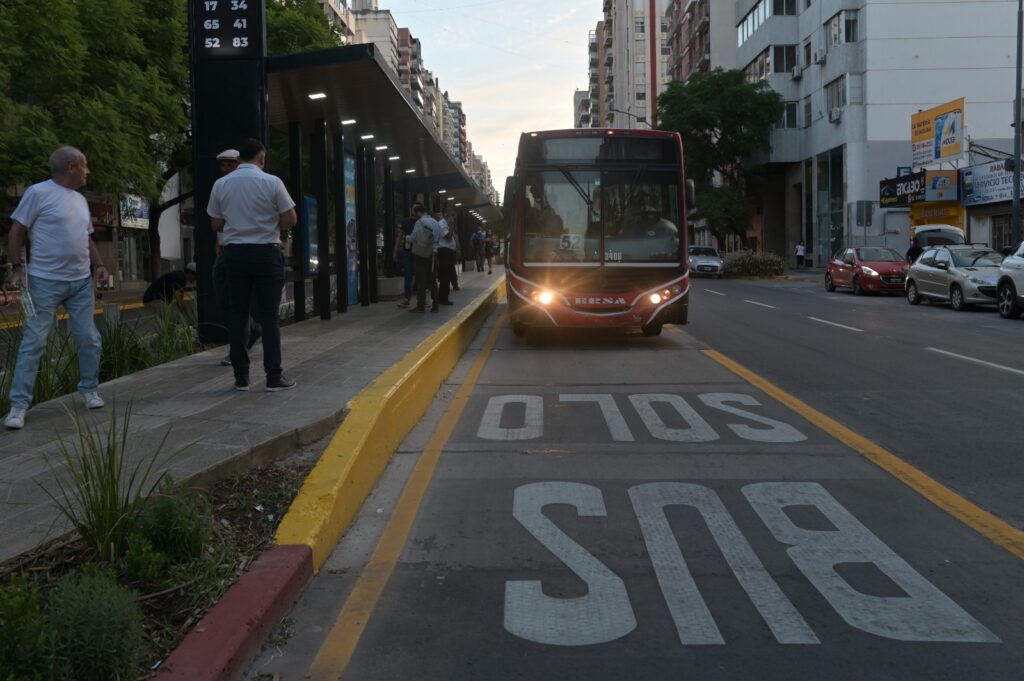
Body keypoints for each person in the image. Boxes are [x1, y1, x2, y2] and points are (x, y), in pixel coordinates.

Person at [4, 146, 109, 430]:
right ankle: (18, 406)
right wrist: (16, 268)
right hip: (44, 282)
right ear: (72, 167)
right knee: (34, 342)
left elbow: (87, 238)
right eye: (85, 166)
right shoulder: (38, 193)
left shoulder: (80, 201)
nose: (88, 172)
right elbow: (16, 231)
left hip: (80, 283)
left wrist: (98, 266)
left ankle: (89, 389)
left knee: (89, 338)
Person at [207, 138, 297, 393]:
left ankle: (241, 378)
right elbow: (290, 219)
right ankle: (273, 377)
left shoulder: (221, 184)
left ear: (239, 159)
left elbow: (215, 223)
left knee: (238, 314)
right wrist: (267, 224)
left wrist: (238, 224)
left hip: (234, 254)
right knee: (269, 317)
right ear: (262, 158)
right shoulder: (272, 182)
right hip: (266, 252)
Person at [408, 204, 440, 313]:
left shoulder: (419, 222)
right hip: (434, 254)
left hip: (421, 255)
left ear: (418, 213)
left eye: (414, 213)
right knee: (432, 281)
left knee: (421, 281)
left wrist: (406, 237)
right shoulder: (436, 223)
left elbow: (412, 238)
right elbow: (438, 238)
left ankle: (420, 306)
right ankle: (435, 305)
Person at [394, 208, 418, 308]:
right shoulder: (406, 222)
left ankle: (422, 299)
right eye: (413, 208)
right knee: (408, 274)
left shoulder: (422, 222)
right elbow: (400, 236)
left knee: (419, 275)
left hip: (419, 252)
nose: (415, 211)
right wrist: (395, 251)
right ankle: (407, 298)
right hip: (407, 251)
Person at [436, 211, 458, 306]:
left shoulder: (446, 225)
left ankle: (444, 297)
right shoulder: (442, 225)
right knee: (445, 276)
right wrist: (452, 225)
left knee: (447, 276)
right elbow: (449, 237)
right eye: (452, 218)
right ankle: (443, 298)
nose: (453, 220)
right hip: (444, 252)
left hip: (447, 252)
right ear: (447, 217)